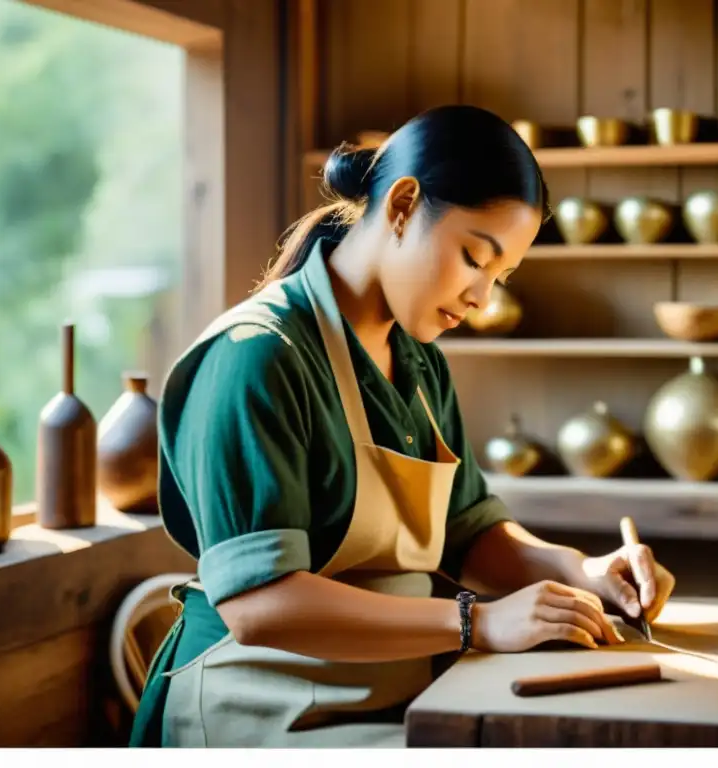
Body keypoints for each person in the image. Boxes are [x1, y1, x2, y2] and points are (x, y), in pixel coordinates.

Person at [129, 104, 675, 749]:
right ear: (402, 205)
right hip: (256, 714)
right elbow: (260, 606)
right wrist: (477, 623)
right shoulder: (255, 356)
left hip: (397, 699)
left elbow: (470, 534)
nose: (483, 299)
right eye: (475, 258)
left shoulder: (420, 365)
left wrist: (581, 573)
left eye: (501, 277)